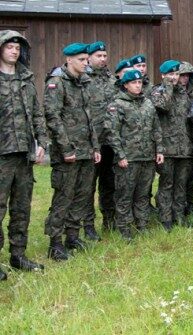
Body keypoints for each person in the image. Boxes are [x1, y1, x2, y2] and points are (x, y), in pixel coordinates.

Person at [43, 42, 101, 261]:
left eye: (87, 60)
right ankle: (55, 243)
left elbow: (90, 117)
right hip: (67, 152)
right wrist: (65, 148)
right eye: (82, 60)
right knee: (63, 198)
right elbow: (53, 117)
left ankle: (73, 236)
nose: (86, 64)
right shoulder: (57, 82)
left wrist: (95, 146)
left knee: (82, 196)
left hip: (86, 150)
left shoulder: (84, 82)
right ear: (69, 60)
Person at [0, 30, 48, 279]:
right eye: (9, 47)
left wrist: (42, 141)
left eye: (18, 48)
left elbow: (37, 112)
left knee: (21, 208)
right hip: (1, 155)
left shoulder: (26, 78)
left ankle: (18, 255)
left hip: (23, 155)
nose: (14, 51)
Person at [104, 69, 164, 240]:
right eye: (134, 83)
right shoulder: (117, 105)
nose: (138, 86)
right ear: (125, 85)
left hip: (147, 157)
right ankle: (124, 229)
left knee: (143, 194)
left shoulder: (148, 104)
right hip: (128, 159)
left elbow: (156, 128)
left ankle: (142, 225)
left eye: (140, 83)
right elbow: (112, 133)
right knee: (125, 195)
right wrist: (120, 155)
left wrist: (159, 150)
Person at [149, 60, 193, 231]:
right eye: (171, 75)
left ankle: (179, 216)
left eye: (176, 74)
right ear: (163, 75)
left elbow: (189, 120)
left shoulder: (183, 94)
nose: (174, 78)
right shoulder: (157, 92)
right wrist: (168, 86)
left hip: (183, 148)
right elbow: (164, 106)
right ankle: (165, 218)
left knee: (181, 184)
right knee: (166, 184)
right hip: (166, 148)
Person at [84, 41, 118, 240]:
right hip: (91, 142)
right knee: (88, 186)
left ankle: (109, 220)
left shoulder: (112, 80)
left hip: (110, 141)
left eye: (105, 55)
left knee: (109, 183)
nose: (103, 59)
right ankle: (88, 225)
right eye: (99, 55)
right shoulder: (83, 79)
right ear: (89, 57)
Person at [178, 62, 193, 216]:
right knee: (180, 178)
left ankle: (190, 202)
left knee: (192, 174)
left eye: (188, 75)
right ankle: (179, 206)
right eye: (182, 75)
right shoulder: (173, 93)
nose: (185, 78)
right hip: (178, 141)